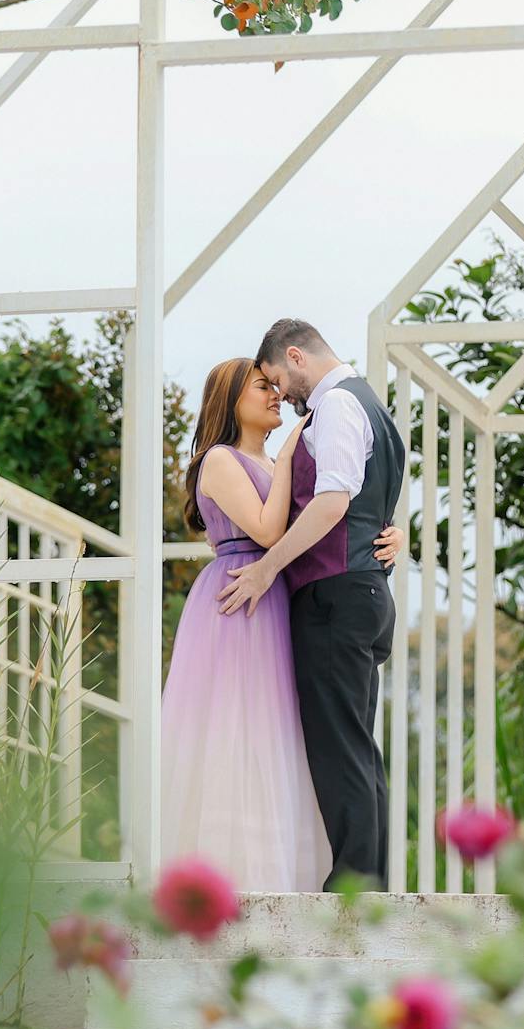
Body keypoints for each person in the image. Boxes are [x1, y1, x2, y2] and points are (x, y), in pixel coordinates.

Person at [160, 357, 403, 891]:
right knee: (239, 733)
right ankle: (231, 877)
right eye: (261, 387)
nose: (275, 395)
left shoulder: (272, 463)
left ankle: (287, 873)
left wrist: (390, 534)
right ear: (230, 400)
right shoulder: (220, 461)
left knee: (282, 736)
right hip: (240, 596)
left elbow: (326, 513)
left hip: (275, 596)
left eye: (275, 386)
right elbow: (271, 531)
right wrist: (295, 445)